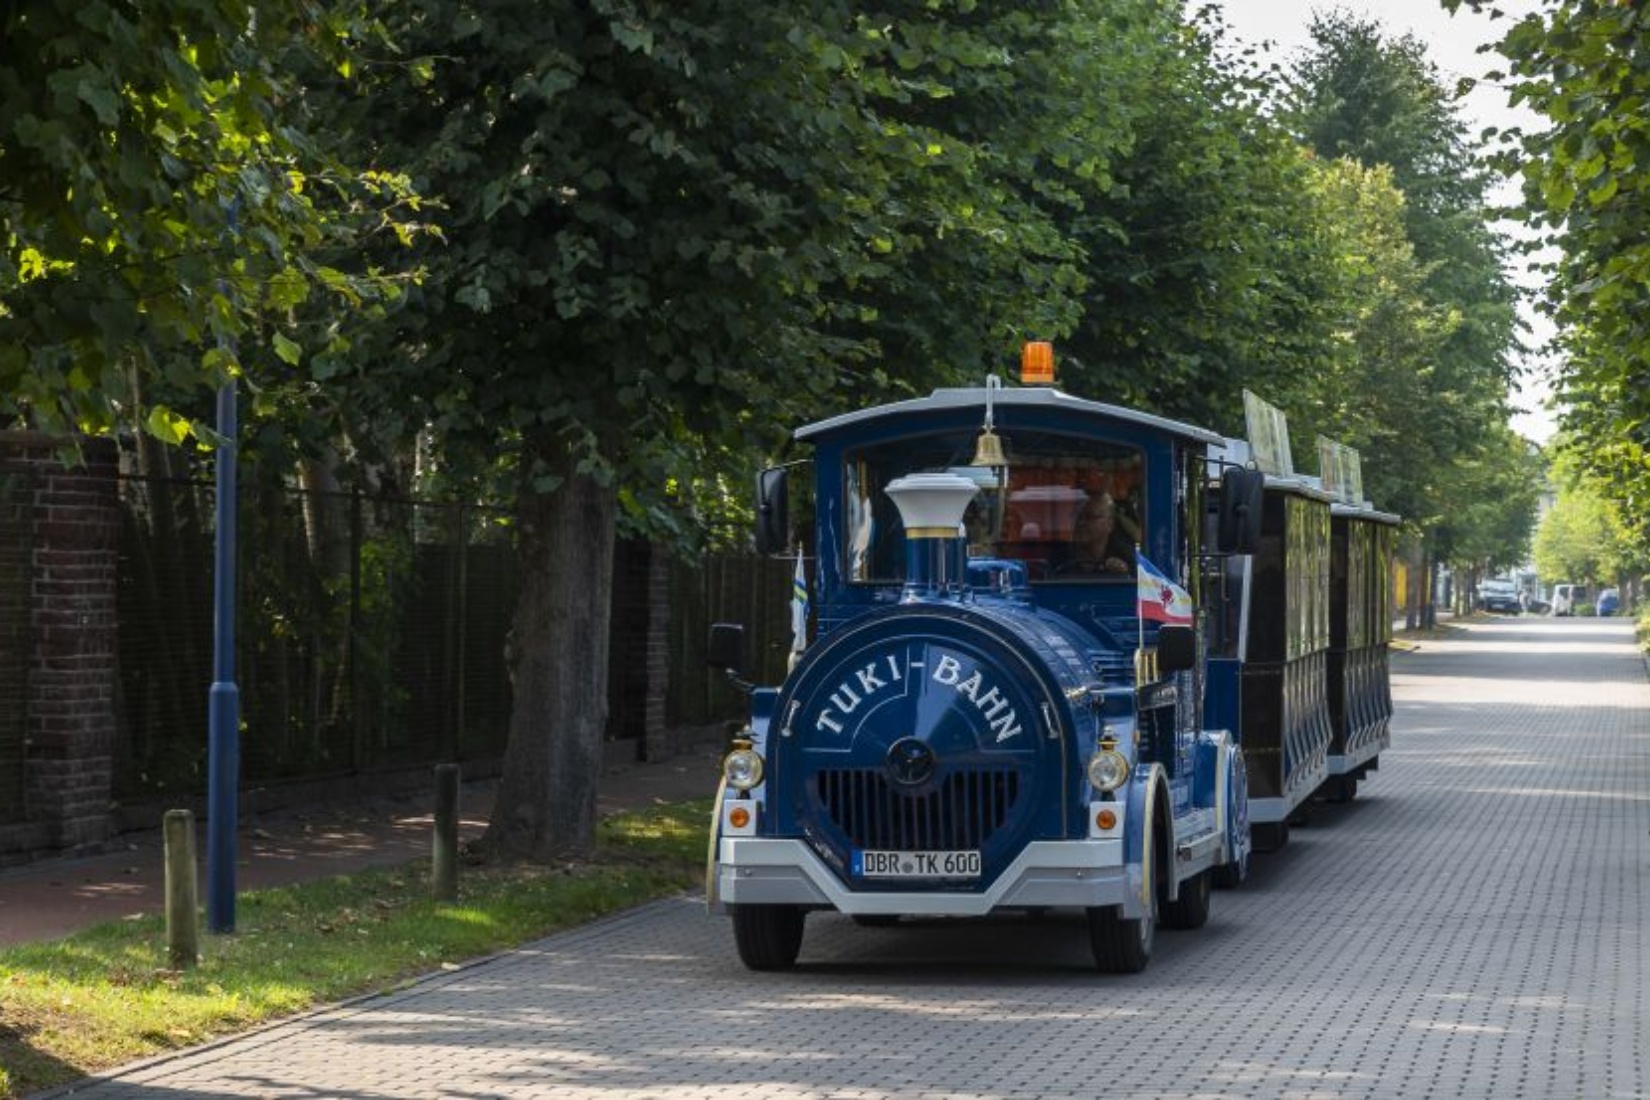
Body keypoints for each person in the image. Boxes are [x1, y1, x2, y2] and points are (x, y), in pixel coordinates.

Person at [1059, 493, 1134, 575]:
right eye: (1079, 516)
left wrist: (1124, 573)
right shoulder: (1060, 557)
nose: (1081, 522)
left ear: (1109, 524)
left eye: (1090, 516)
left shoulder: (1125, 556)